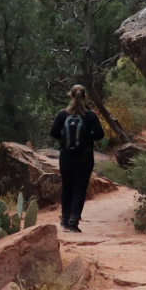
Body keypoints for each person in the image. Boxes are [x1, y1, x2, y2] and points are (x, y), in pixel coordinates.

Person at [49, 85, 104, 232]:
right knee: (80, 188)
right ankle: (74, 221)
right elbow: (100, 135)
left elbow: (53, 132)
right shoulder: (90, 115)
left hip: (66, 156)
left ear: (71, 96)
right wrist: (87, 138)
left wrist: (64, 139)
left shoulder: (62, 114)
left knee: (67, 187)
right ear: (84, 97)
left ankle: (65, 219)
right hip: (84, 157)